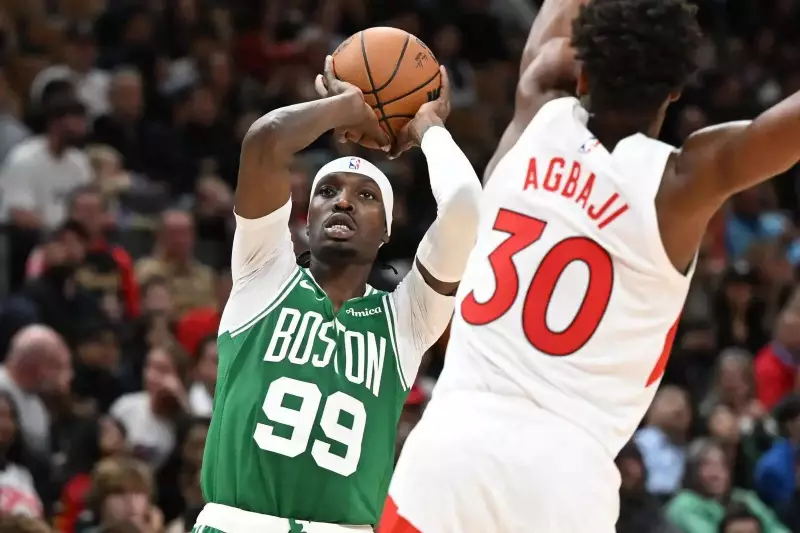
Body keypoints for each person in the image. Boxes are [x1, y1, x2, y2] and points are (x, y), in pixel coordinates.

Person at [380, 0, 800, 531]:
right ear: (675, 90)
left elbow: (555, 23)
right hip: (565, 483)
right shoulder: (683, 183)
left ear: (581, 71)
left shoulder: (536, 111)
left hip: (449, 452)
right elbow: (783, 131)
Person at [193, 56, 481, 533]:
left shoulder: (406, 319)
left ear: (387, 230)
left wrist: (428, 128)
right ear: (306, 218)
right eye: (326, 191)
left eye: (366, 196)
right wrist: (344, 107)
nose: (343, 200)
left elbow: (465, 207)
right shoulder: (262, 273)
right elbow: (265, 142)